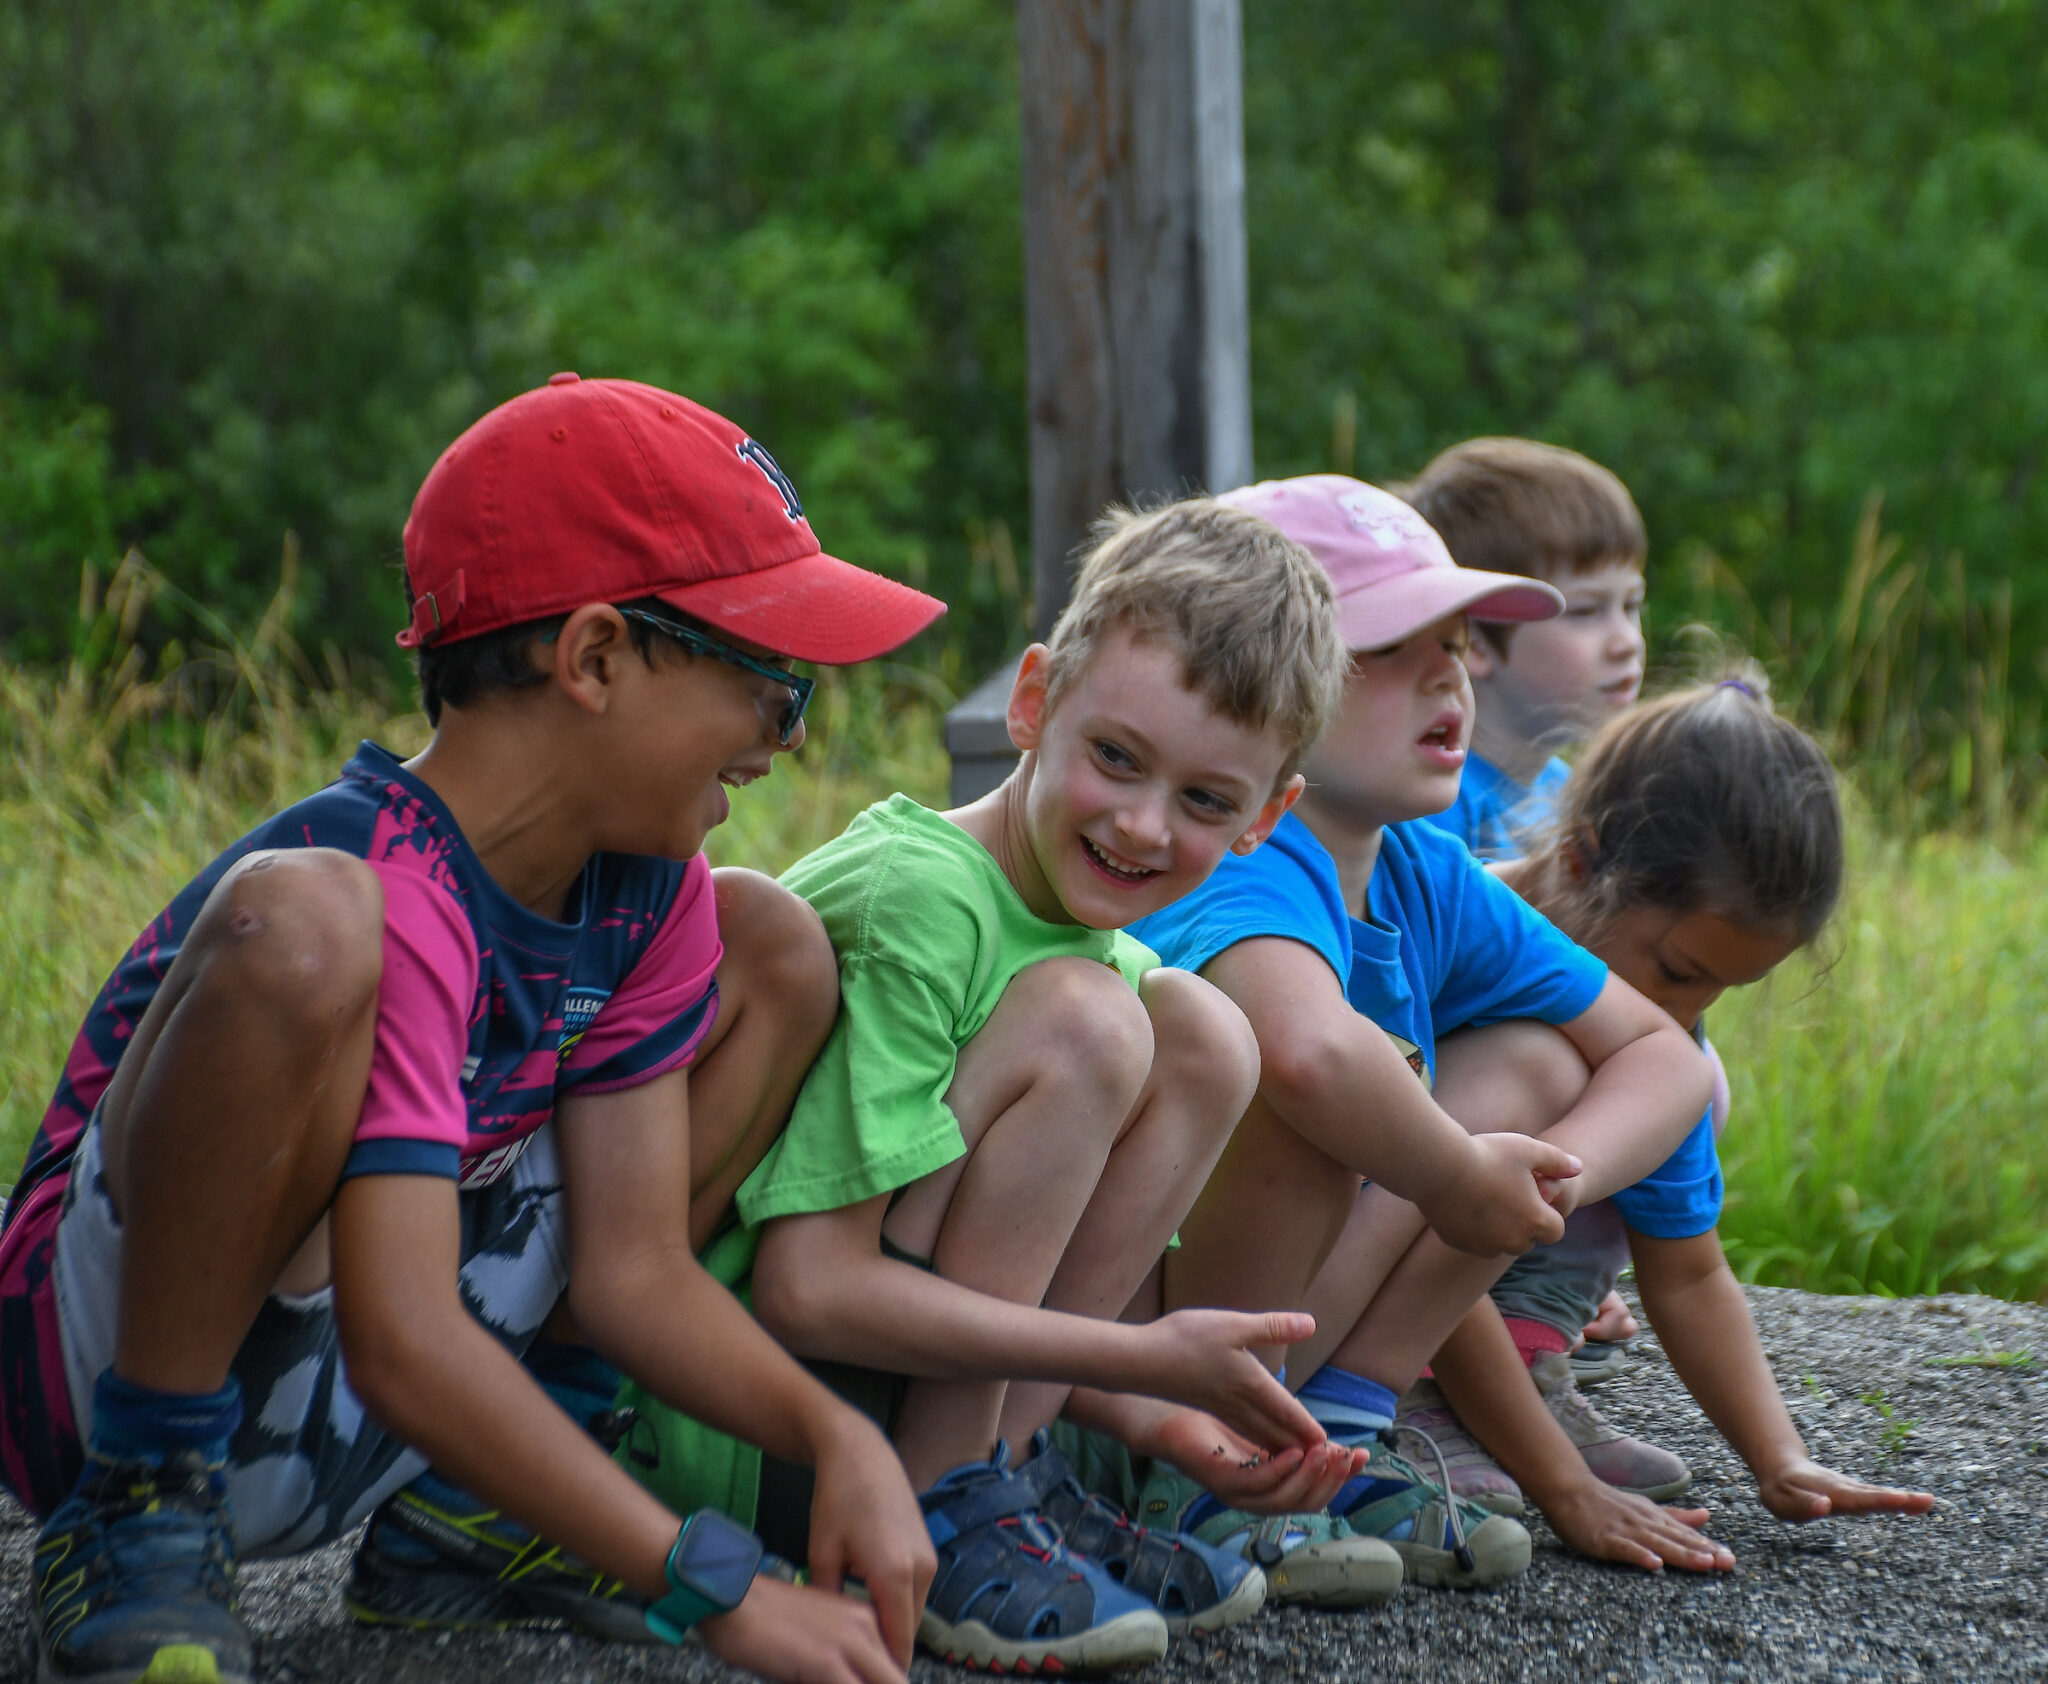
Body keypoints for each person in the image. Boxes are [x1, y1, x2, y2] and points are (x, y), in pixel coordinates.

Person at [0, 374, 949, 1684]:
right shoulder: (377, 888)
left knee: (772, 943)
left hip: (365, 1387)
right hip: (122, 1379)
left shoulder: (645, 890)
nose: (783, 736)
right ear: (598, 657)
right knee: (308, 928)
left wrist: (832, 1437)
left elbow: (634, 1273)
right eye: (772, 683)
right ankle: (136, 1507)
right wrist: (709, 1587)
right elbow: (403, 1342)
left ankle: (478, 1517)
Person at [626, 497, 1374, 1674]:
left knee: (1204, 1031)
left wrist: (1171, 1424)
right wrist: (1142, 1357)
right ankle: (940, 1502)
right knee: (1095, 1025)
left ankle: (1002, 1485)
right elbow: (805, 1288)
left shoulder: (1101, 947)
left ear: (1267, 818)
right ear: (1033, 703)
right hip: (734, 1414)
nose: (1138, 823)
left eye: (1204, 800)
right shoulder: (921, 896)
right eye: (1114, 759)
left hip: (876, 1392)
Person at [1127, 475, 1712, 1593]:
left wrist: (1537, 1182)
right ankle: (1203, 1472)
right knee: (1332, 1082)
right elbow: (1302, 1051)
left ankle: (1340, 1423)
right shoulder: (1242, 848)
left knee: (1536, 1062)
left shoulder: (1419, 866)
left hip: (1279, 1304)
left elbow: (1659, 1055)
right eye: (1388, 646)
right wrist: (1463, 1180)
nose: (1449, 671)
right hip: (1125, 1339)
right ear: (1260, 680)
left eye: (1454, 641)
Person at [1395, 674, 1937, 1570]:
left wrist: (1780, 1456)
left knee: (1693, 1080)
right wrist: (1560, 1480)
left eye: (1728, 987)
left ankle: (1523, 1353)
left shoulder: (1656, 1031)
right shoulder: (1446, 934)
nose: (1690, 1008)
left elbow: (1686, 1273)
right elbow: (1418, 1211)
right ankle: (1412, 1401)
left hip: (1461, 1276)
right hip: (1351, 1276)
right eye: (1681, 970)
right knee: (1543, 1065)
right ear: (1579, 859)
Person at [1398, 438, 1647, 863]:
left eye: (1631, 606)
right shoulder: (1427, 816)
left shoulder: (1572, 795)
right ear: (1471, 641)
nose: (1628, 641)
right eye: (1586, 611)